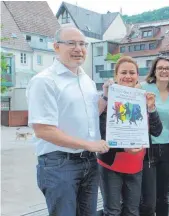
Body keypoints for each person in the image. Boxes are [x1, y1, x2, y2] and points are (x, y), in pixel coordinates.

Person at [26, 27, 109, 216]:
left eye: (82, 44)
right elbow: (44, 130)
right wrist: (89, 144)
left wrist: (105, 97)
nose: (78, 48)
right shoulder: (44, 81)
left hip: (89, 161)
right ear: (56, 47)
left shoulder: (85, 79)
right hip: (59, 164)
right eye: (71, 43)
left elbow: (90, 113)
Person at [97, 56, 163, 216]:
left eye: (132, 72)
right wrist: (124, 146)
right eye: (124, 72)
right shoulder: (107, 98)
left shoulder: (142, 98)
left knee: (132, 211)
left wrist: (152, 107)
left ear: (137, 76)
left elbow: (157, 131)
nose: (128, 76)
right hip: (111, 165)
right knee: (113, 211)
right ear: (116, 76)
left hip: (136, 165)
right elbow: (101, 131)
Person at [137, 56, 169, 216]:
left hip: (167, 149)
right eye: (160, 68)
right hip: (147, 149)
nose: (164, 71)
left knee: (163, 198)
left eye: (167, 68)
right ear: (154, 71)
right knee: (148, 201)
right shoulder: (142, 87)